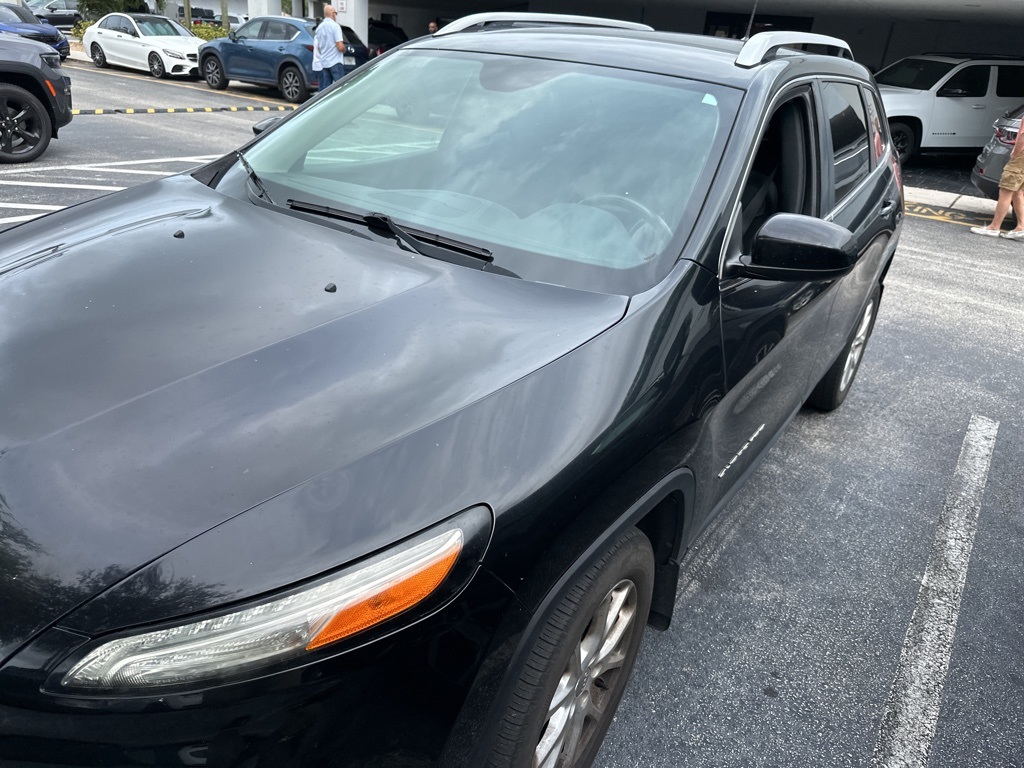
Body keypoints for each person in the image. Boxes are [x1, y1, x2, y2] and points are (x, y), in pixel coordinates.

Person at [971, 125, 1024, 239]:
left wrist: (1015, 153)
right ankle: (1021, 227)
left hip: (1021, 157)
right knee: (1017, 191)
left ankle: (994, 227)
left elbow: (1023, 135)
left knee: (1006, 190)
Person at [313, 5, 347, 90]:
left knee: (326, 89)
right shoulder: (335, 26)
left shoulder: (319, 28)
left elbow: (319, 48)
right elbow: (340, 46)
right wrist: (344, 50)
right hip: (335, 62)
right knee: (341, 87)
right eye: (336, 13)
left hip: (324, 62)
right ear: (333, 14)